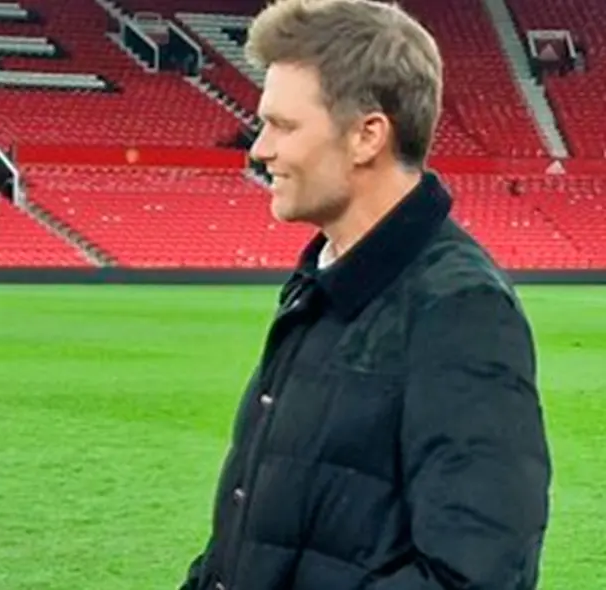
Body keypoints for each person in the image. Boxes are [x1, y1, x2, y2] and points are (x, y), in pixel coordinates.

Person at [178, 1, 552, 588]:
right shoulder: (319, 286)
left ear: (366, 135)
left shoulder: (460, 310)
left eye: (283, 125)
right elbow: (252, 537)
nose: (258, 149)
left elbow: (475, 574)